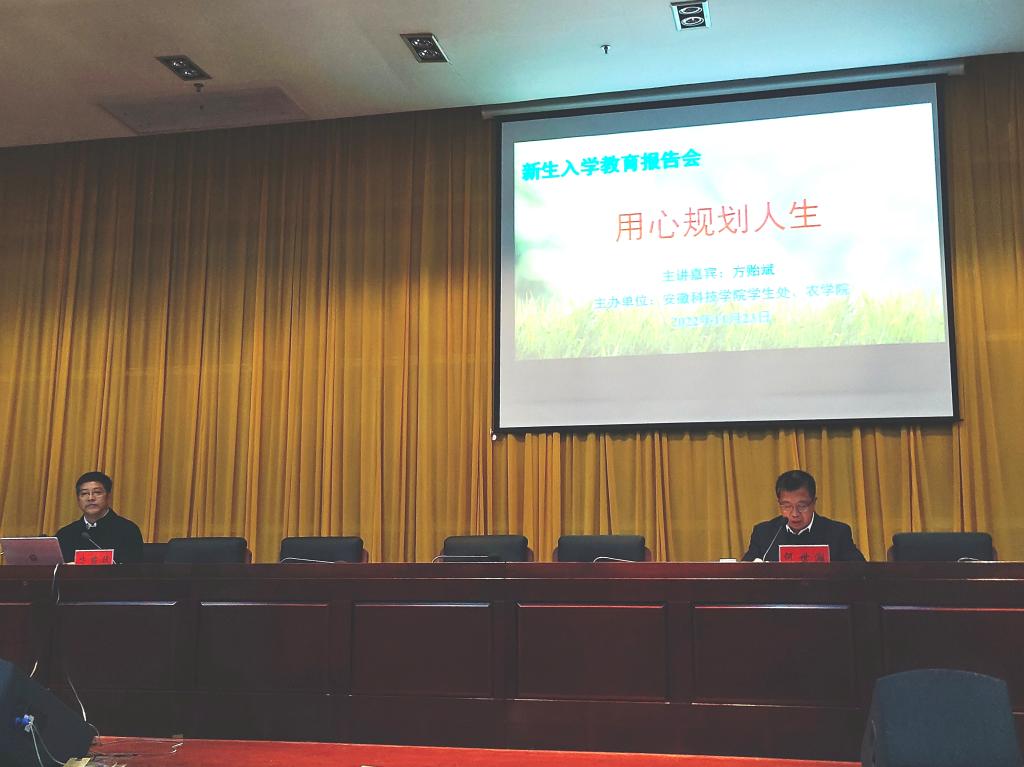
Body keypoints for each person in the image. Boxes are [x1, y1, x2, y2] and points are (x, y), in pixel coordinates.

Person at [741, 469, 866, 562]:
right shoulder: (764, 534)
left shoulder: (837, 533)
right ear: (779, 503)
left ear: (814, 502)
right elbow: (745, 572)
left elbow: (860, 572)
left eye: (802, 506)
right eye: (787, 506)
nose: (795, 514)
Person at [56, 471, 144, 564]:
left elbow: (133, 569)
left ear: (108, 496)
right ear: (78, 499)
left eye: (97, 492)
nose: (90, 498)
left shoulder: (128, 530)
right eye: (84, 493)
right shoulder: (65, 534)